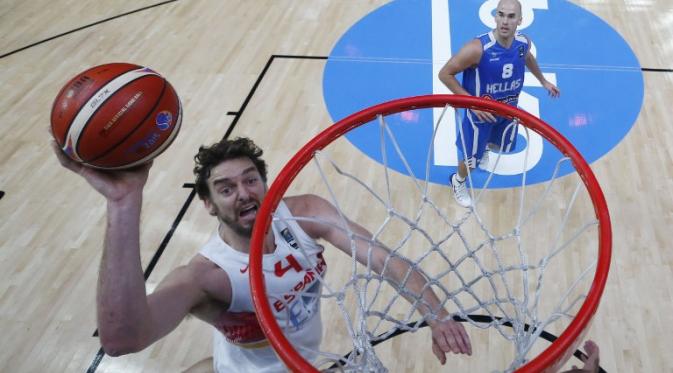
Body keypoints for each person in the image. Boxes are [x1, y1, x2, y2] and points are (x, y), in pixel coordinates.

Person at [51, 136, 472, 372]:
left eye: (251, 180)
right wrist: (124, 204)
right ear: (209, 205)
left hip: (302, 357)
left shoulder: (305, 216)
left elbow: (385, 259)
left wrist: (435, 312)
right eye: (226, 188)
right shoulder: (207, 275)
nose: (244, 194)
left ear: (267, 185)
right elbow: (122, 339)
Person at [438, 0, 560, 208]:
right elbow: (445, 74)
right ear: (494, 16)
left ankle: (484, 147)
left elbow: (527, 58)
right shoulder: (477, 49)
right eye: (501, 14)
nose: (505, 21)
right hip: (479, 116)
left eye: (511, 16)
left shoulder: (523, 43)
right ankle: (457, 180)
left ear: (520, 20)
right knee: (471, 160)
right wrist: (472, 104)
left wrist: (543, 81)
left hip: (507, 110)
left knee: (496, 144)